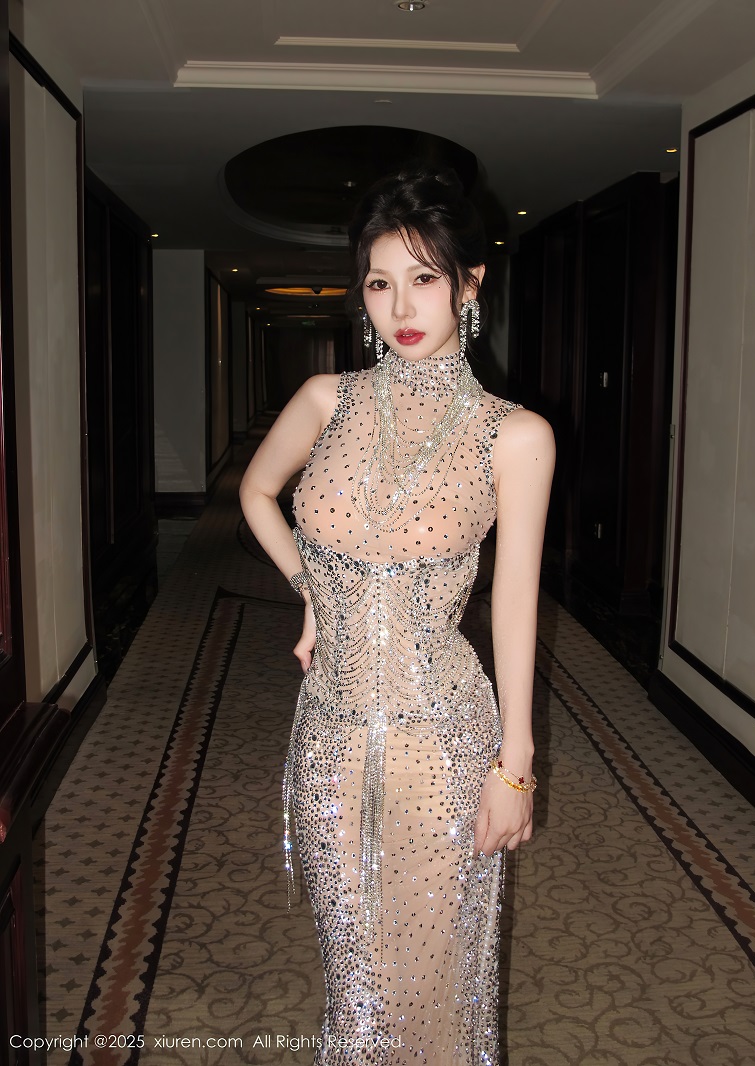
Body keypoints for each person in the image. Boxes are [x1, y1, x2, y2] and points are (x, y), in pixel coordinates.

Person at [239, 164, 555, 1065]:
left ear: (470, 283)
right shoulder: (325, 401)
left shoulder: (515, 435)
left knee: (435, 979)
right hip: (327, 738)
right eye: (380, 284)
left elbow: (515, 607)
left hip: (442, 742)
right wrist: (312, 590)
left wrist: (515, 768)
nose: (402, 307)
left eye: (425, 277)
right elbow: (258, 493)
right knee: (358, 984)